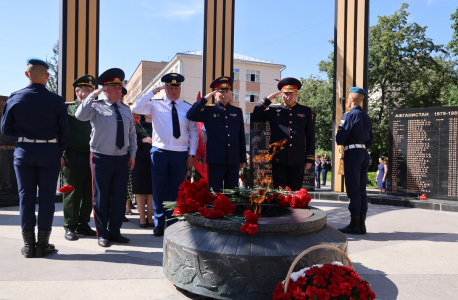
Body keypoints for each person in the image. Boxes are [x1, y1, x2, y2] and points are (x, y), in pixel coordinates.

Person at [1, 58, 69, 258]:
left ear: (26, 74)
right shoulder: (56, 100)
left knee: (25, 196)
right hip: (49, 153)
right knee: (47, 197)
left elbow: (5, 129)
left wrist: (24, 136)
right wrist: (59, 150)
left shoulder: (15, 98)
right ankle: (43, 244)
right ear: (47, 76)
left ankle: (28, 245)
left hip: (24, 152)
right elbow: (65, 133)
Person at [75, 68, 137, 247]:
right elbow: (79, 115)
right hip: (101, 157)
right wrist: (93, 94)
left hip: (122, 157)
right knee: (101, 197)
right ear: (105, 89)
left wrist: (132, 154)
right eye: (115, 87)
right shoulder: (95, 106)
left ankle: (115, 231)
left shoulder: (125, 110)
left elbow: (131, 134)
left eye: (120, 87)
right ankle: (102, 233)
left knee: (119, 197)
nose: (119, 90)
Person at [132, 73, 198, 237]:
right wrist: (153, 92)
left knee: (176, 189)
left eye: (176, 87)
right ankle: (159, 223)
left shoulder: (187, 108)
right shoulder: (155, 105)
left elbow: (194, 132)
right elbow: (136, 108)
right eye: (169, 87)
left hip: (180, 153)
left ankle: (173, 221)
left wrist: (192, 154)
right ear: (165, 88)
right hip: (160, 151)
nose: (173, 90)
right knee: (159, 188)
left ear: (180, 89)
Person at [251, 77, 315, 191]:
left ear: (296, 94)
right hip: (278, 157)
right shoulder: (273, 109)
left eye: (291, 93)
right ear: (282, 95)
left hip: (297, 157)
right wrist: (267, 100)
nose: (288, 96)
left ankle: (295, 209)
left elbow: (310, 135)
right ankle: (283, 209)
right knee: (280, 191)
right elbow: (255, 116)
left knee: (295, 191)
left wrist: (309, 158)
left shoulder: (305, 110)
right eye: (286, 94)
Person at [186, 76, 247, 192]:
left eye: (227, 91)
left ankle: (230, 211)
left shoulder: (237, 111)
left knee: (232, 193)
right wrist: (205, 99)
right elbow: (190, 115)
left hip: (233, 159)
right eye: (221, 92)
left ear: (230, 93)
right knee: (215, 193)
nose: (224, 94)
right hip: (216, 159)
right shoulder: (209, 110)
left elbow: (241, 137)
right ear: (215, 94)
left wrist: (242, 158)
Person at [62, 75, 97, 241]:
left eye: (92, 90)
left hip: (91, 156)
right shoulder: (68, 109)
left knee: (88, 193)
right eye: (87, 90)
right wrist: (61, 155)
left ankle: (83, 224)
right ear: (78, 92)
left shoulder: (96, 109)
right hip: (72, 155)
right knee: (71, 193)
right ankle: (70, 226)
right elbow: (61, 133)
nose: (90, 93)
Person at [336, 87, 374, 235]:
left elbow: (340, 138)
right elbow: (370, 139)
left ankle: (354, 224)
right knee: (362, 190)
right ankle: (361, 225)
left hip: (352, 153)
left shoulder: (349, 115)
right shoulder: (366, 117)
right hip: (364, 152)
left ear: (351, 99)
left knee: (353, 189)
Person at [131, 112, 154, 228]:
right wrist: (143, 140)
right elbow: (131, 141)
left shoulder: (158, 125)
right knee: (140, 190)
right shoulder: (137, 125)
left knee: (151, 191)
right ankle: (141, 218)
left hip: (154, 161)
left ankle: (150, 217)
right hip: (139, 160)